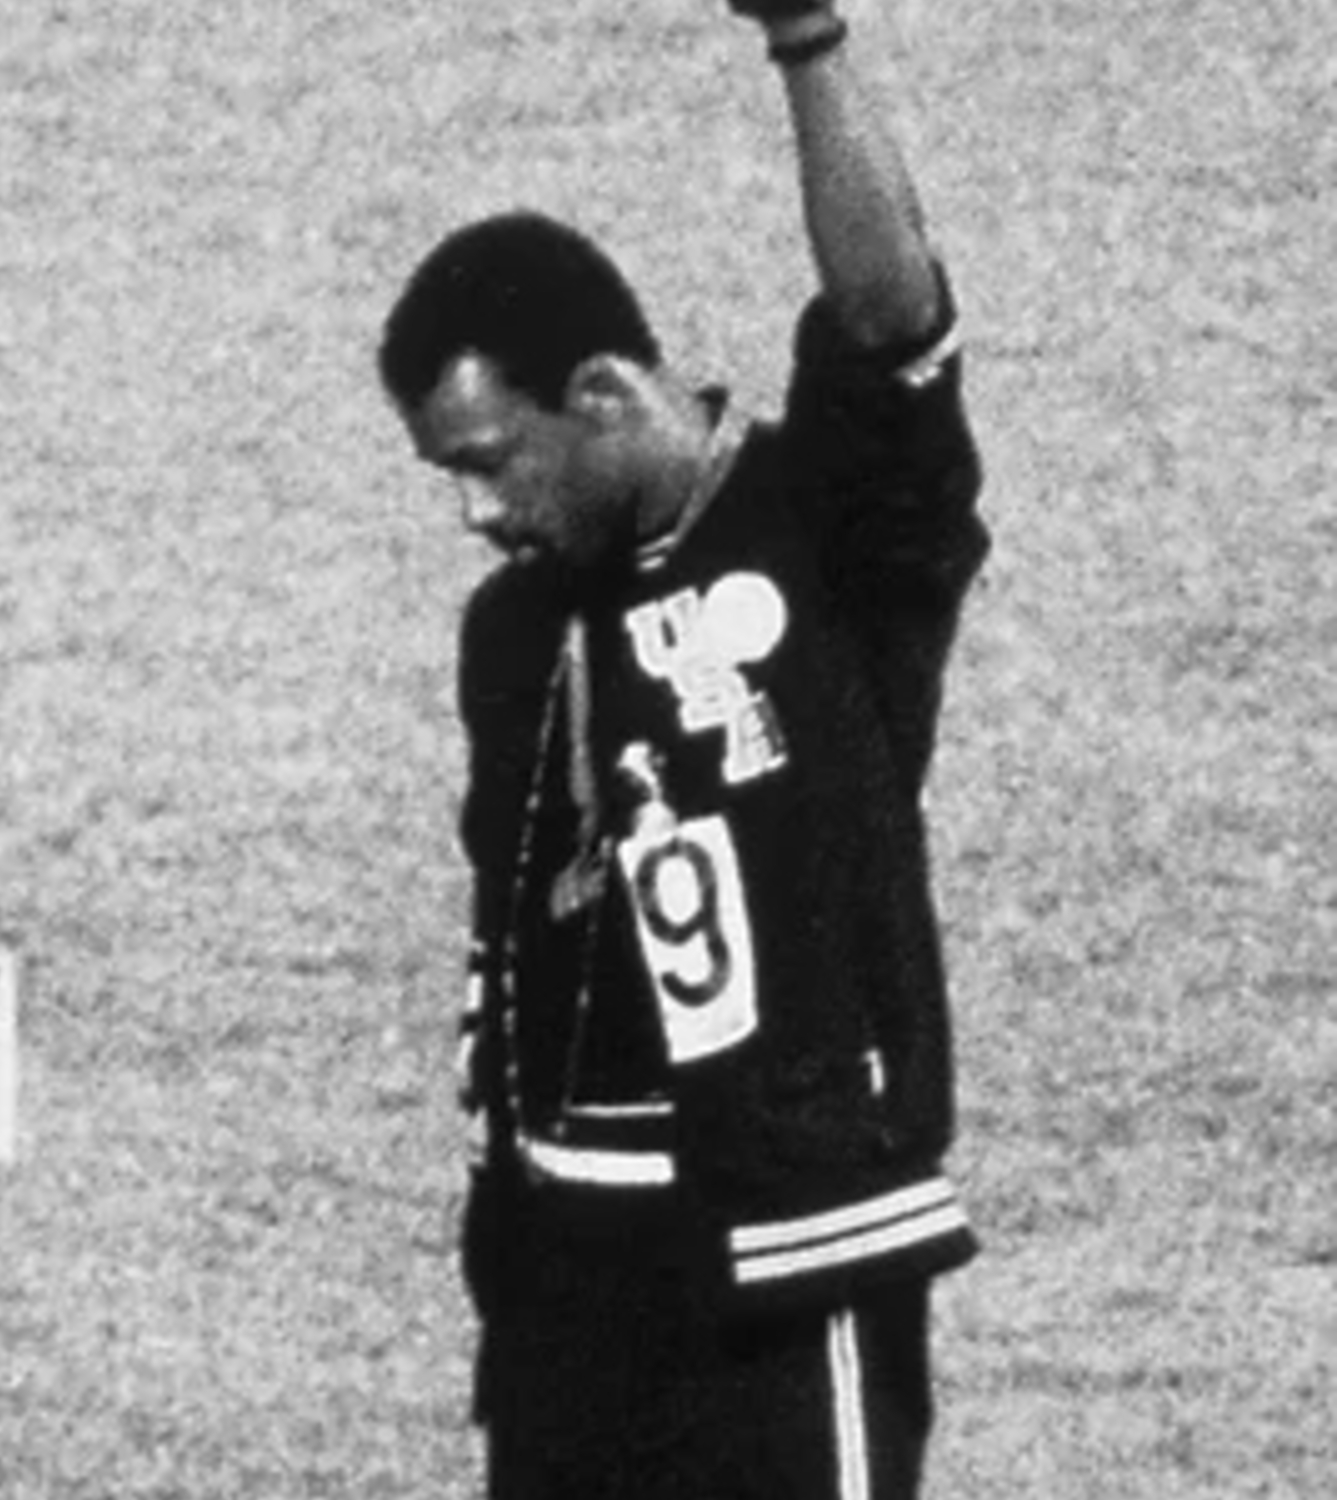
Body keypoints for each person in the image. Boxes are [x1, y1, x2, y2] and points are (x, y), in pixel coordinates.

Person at [376, 4, 988, 1497]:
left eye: (487, 461)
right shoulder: (513, 638)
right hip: (567, 1277)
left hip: (787, 1250)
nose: (477, 513)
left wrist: (808, 39)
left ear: (597, 395)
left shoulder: (831, 525)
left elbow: (892, 319)